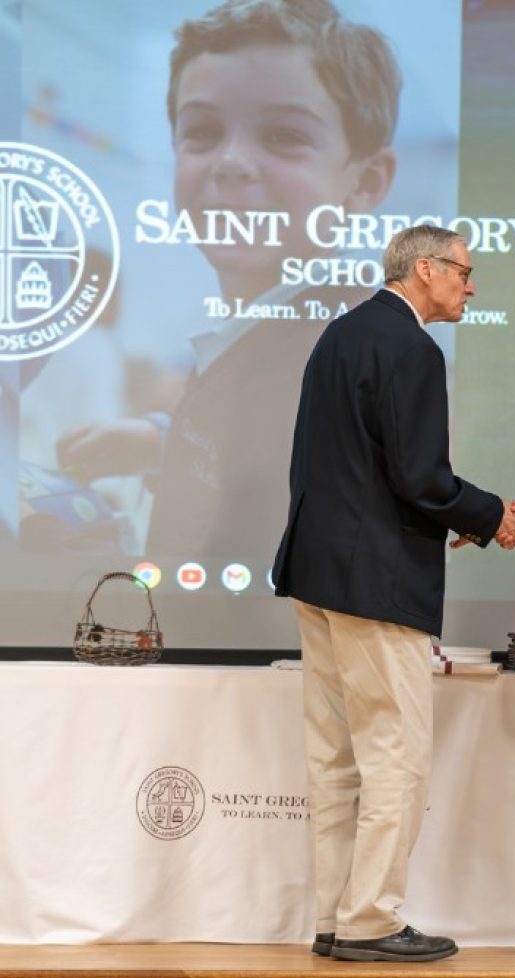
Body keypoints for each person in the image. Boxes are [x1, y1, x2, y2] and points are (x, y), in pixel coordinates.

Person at [57, 0, 400, 564]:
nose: (232, 162)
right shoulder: (257, 328)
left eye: (285, 136)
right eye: (202, 132)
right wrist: (162, 440)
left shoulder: (346, 349)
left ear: (365, 181)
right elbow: (268, 440)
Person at [272, 224, 515, 963]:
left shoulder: (340, 334)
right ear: (426, 270)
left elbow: (352, 465)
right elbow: (420, 477)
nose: (471, 286)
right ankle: (372, 922)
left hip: (317, 574)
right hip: (376, 580)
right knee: (395, 753)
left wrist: (459, 513)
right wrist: (490, 516)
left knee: (335, 756)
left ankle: (334, 915)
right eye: (464, 272)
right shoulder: (412, 347)